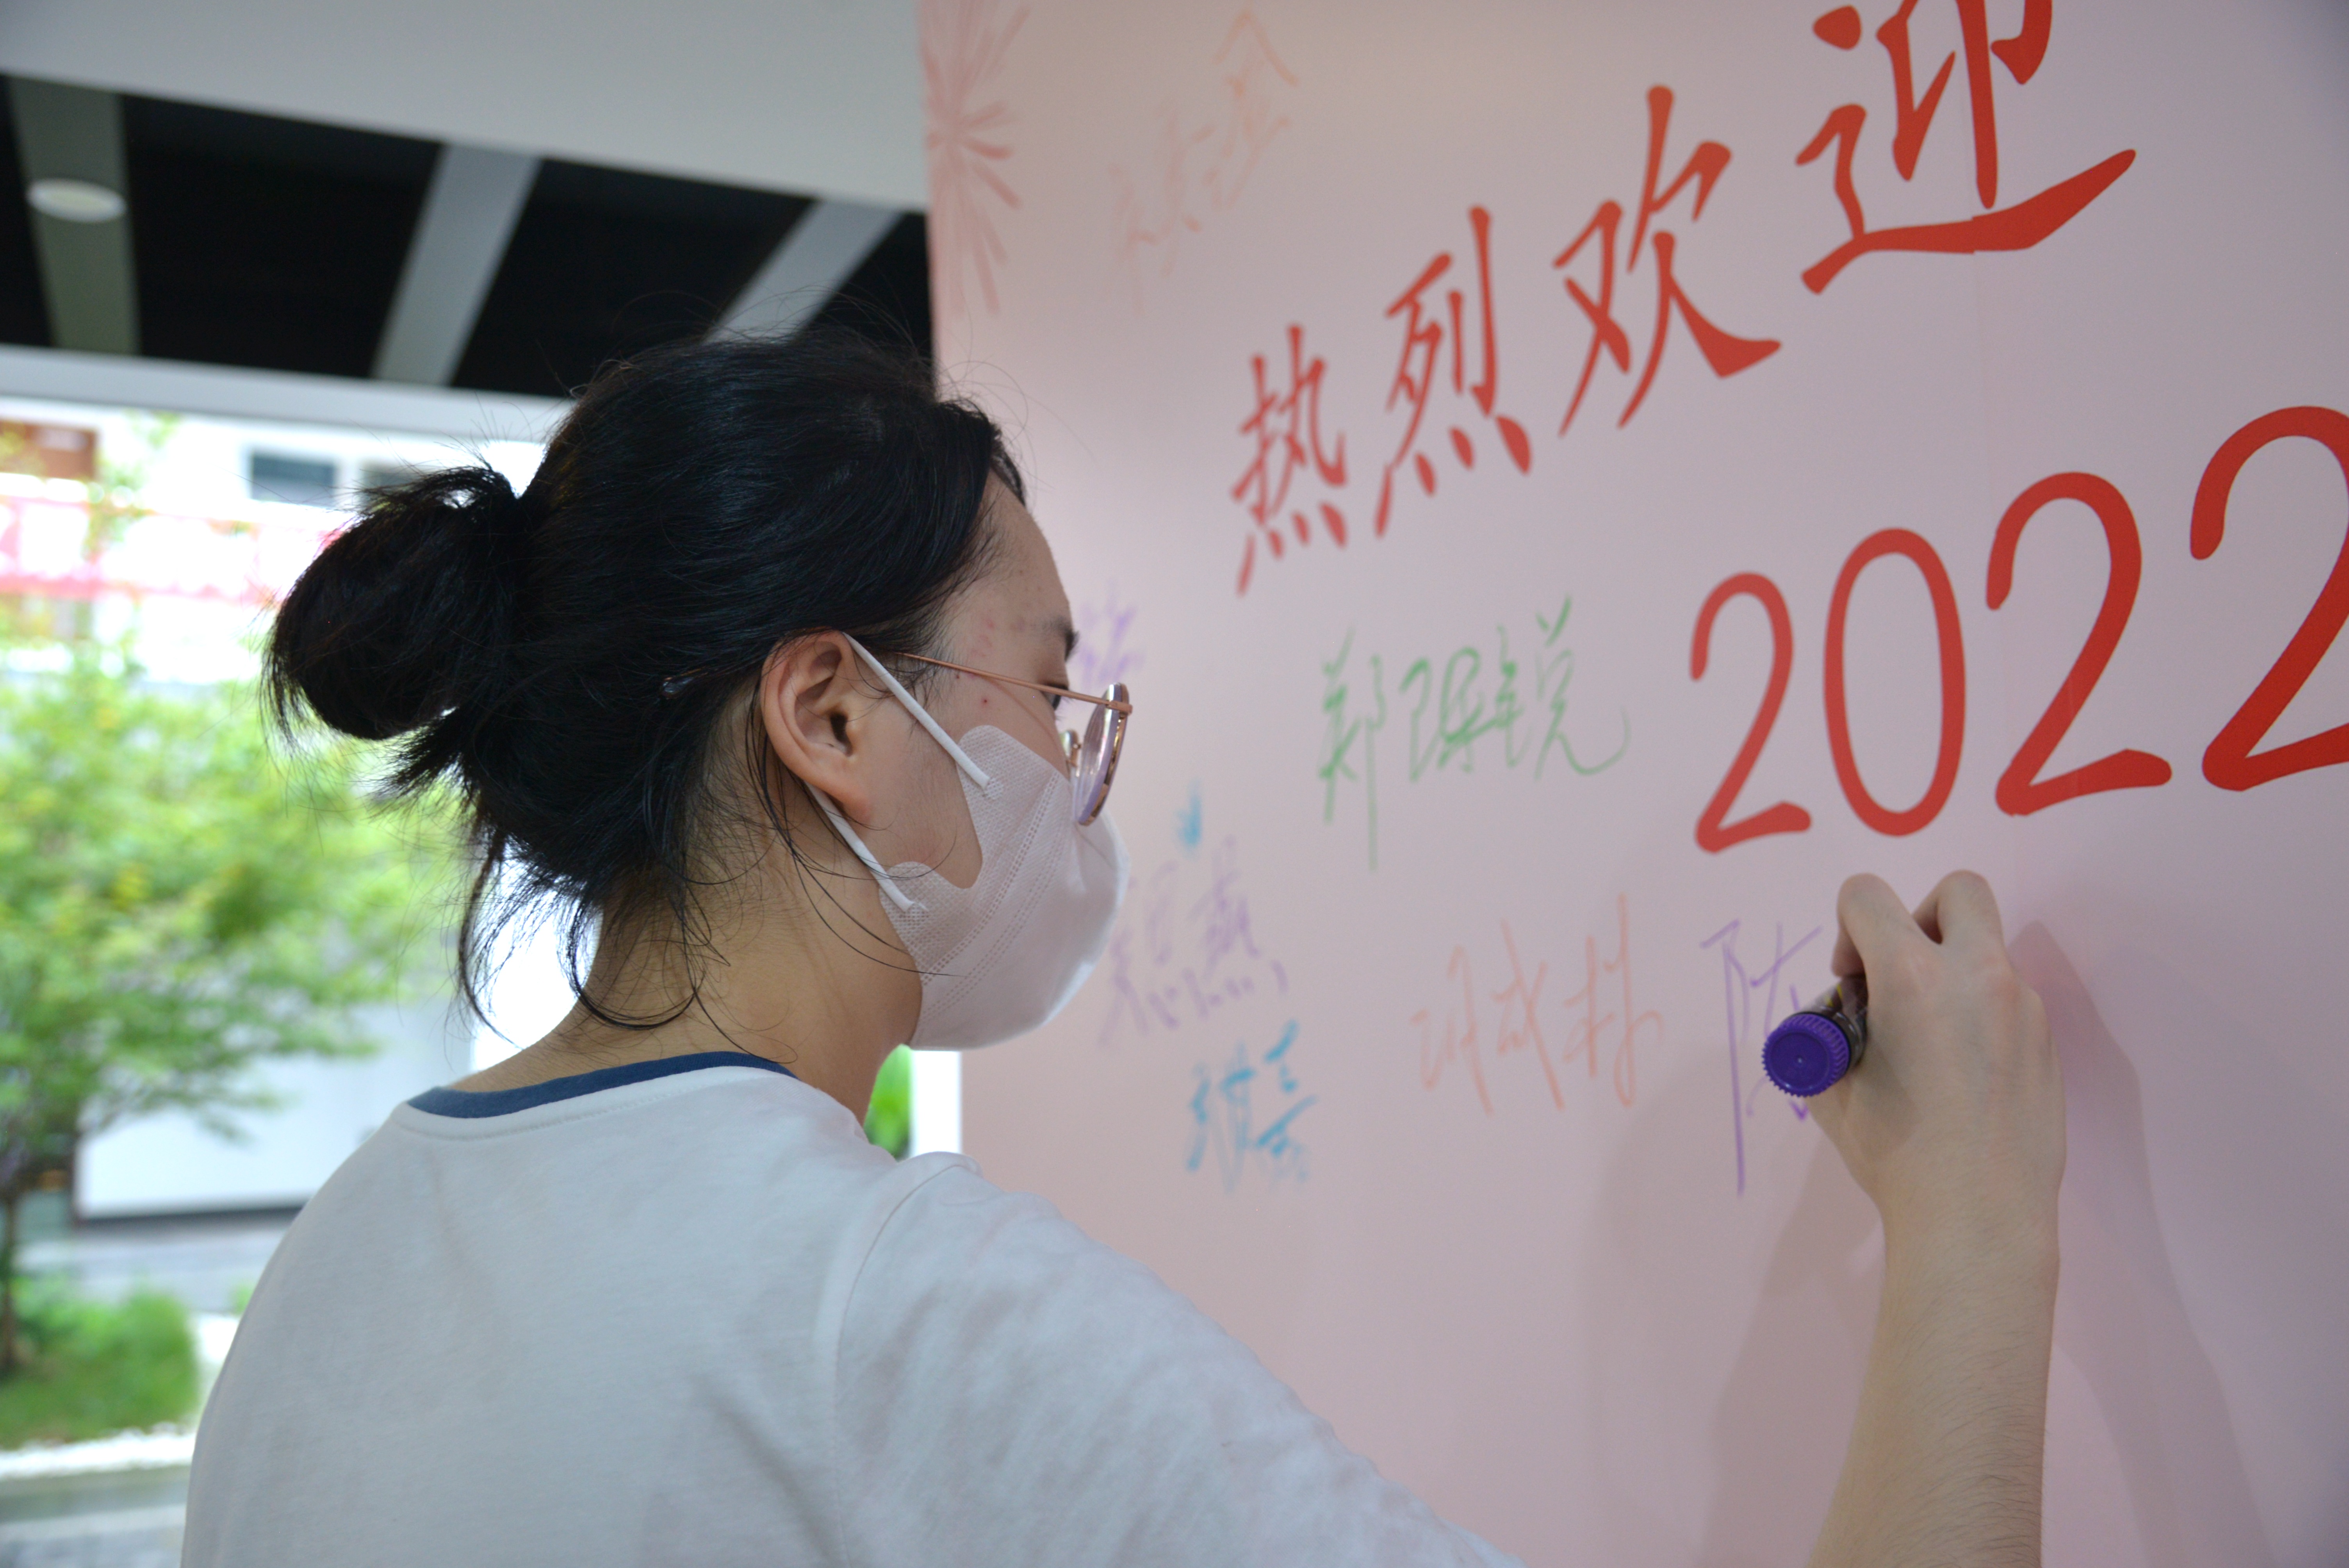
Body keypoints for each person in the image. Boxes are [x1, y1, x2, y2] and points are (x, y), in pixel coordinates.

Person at [182, 332, 2064, 1568]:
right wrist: (1972, 1223)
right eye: (1051, 685)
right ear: (831, 714)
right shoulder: (894, 1304)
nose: (1079, 775)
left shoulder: (348, 1238)